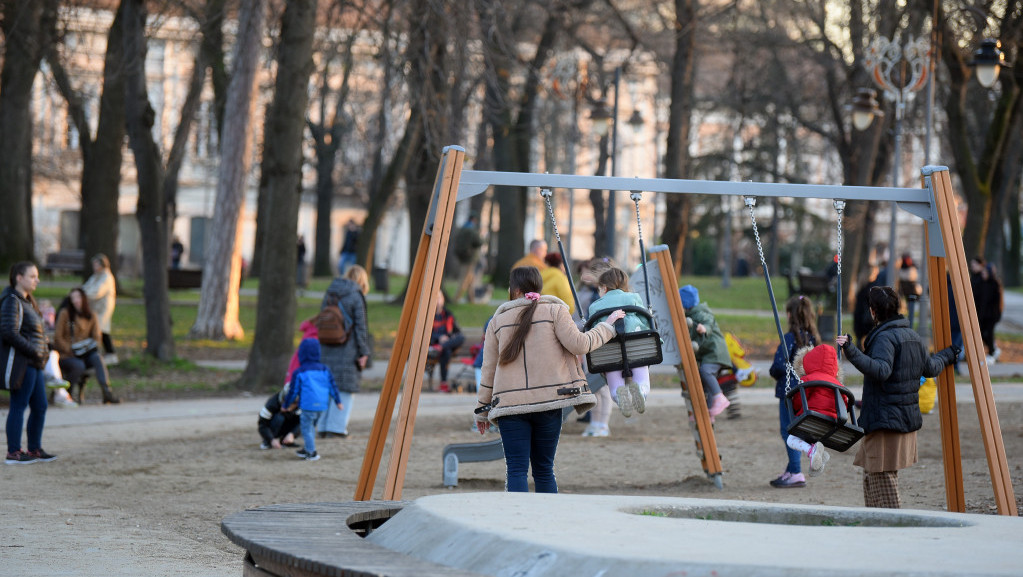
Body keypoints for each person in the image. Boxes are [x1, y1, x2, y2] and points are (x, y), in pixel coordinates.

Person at [475, 266, 625, 492]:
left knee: (515, 470)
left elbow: (488, 370)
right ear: (539, 287)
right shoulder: (555, 311)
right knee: (544, 469)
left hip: (509, 406)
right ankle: (548, 521)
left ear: (514, 290)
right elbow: (581, 344)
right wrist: (608, 327)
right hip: (550, 402)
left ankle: (517, 519)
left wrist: (482, 409)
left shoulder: (497, 321)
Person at [836, 286, 958, 508]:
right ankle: (877, 527)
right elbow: (930, 368)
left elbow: (882, 370)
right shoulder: (912, 336)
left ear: (873, 312)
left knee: (881, 478)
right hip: (900, 419)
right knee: (873, 476)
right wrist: (948, 355)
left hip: (886, 421)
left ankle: (893, 527)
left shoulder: (885, 338)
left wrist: (851, 350)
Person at [2, 262, 56, 464]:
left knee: (40, 405)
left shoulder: (27, 301)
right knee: (19, 404)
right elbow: (8, 332)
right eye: (32, 276)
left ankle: (34, 449)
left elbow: (34, 332)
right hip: (24, 363)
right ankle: (14, 452)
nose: (37, 280)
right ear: (19, 277)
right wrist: (34, 351)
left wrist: (46, 347)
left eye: (37, 276)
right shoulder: (11, 301)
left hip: (36, 363)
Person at [768, 294, 820, 488]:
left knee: (788, 432)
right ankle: (791, 469)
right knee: (796, 429)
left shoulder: (789, 339)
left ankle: (797, 472)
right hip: (806, 392)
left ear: (790, 315)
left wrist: (776, 371)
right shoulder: (813, 338)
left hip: (788, 393)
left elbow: (778, 367)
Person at [587, 267, 651, 417]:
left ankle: (618, 394)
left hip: (610, 353)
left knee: (615, 389)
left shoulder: (595, 306)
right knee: (643, 380)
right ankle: (641, 390)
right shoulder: (633, 298)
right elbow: (646, 322)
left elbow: (593, 330)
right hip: (637, 349)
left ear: (604, 288)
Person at [317, 265, 370, 437]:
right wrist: (364, 352)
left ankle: (323, 426)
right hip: (348, 348)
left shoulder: (330, 293)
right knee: (345, 388)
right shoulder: (356, 296)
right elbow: (360, 327)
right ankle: (337, 427)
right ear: (362, 280)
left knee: (327, 387)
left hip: (326, 345)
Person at [784, 343, 845, 479]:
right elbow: (845, 402)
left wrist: (795, 406)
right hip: (833, 423)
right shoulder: (838, 384)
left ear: (809, 362)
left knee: (791, 439)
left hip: (812, 419)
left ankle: (811, 451)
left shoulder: (807, 380)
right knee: (813, 435)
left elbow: (799, 400)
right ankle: (819, 455)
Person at [53, 288, 119, 404]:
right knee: (79, 365)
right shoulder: (65, 314)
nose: (76, 301)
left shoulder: (91, 315)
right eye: (73, 298)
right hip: (68, 354)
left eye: (78, 297)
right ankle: (66, 394)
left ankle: (107, 392)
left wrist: (88, 346)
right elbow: (58, 337)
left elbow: (97, 337)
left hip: (86, 353)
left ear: (83, 298)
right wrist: (69, 349)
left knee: (98, 358)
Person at [281, 338, 343, 461]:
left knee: (306, 429)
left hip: (308, 406)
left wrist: (286, 405)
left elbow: (294, 391)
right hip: (322, 406)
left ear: (301, 354)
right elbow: (332, 386)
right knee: (311, 428)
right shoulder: (325, 369)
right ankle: (308, 448)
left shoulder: (299, 372)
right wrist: (338, 401)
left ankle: (312, 452)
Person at [678, 285, 731, 418]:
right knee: (705, 382)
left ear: (684, 304)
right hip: (708, 354)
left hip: (715, 352)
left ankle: (720, 398)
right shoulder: (689, 315)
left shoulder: (700, 313)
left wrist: (704, 328)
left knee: (705, 371)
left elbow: (708, 321)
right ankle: (709, 413)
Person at [576, 257, 615, 437]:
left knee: (603, 386)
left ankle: (603, 424)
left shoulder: (607, 295)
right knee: (592, 384)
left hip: (603, 341)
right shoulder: (588, 293)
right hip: (589, 340)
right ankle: (594, 422)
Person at [82, 253, 117, 364]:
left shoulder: (106, 277)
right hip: (95, 307)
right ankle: (104, 352)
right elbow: (87, 287)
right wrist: (79, 293)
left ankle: (111, 353)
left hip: (103, 307)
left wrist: (82, 296)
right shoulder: (96, 276)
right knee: (99, 329)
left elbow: (97, 291)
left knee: (102, 329)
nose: (94, 267)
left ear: (102, 264)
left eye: (96, 264)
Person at [429, 290, 465, 393]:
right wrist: (439, 338)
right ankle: (444, 384)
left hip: (445, 345)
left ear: (443, 300)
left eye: (439, 298)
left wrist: (447, 338)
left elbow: (457, 332)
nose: (437, 301)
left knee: (461, 337)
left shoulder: (448, 314)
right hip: (434, 345)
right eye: (435, 298)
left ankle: (442, 347)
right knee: (447, 351)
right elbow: (426, 333)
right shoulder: (428, 316)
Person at [970, 256, 1003, 362]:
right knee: (984, 333)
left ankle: (992, 352)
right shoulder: (984, 284)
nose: (983, 275)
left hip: (991, 315)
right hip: (984, 315)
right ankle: (993, 350)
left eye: (985, 273)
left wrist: (997, 314)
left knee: (988, 333)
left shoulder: (994, 284)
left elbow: (998, 302)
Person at [258, 383, 300, 450]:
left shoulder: (301, 405)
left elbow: (302, 423)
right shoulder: (271, 404)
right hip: (273, 425)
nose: (288, 408)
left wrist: (293, 434)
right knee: (279, 418)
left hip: (288, 423)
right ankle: (267, 442)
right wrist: (271, 439)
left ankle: (285, 441)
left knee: (304, 419)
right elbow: (262, 425)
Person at [897, 253, 923, 330]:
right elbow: (912, 278)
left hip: (908, 292)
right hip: (911, 292)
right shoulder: (911, 269)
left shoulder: (906, 269)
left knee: (908, 309)